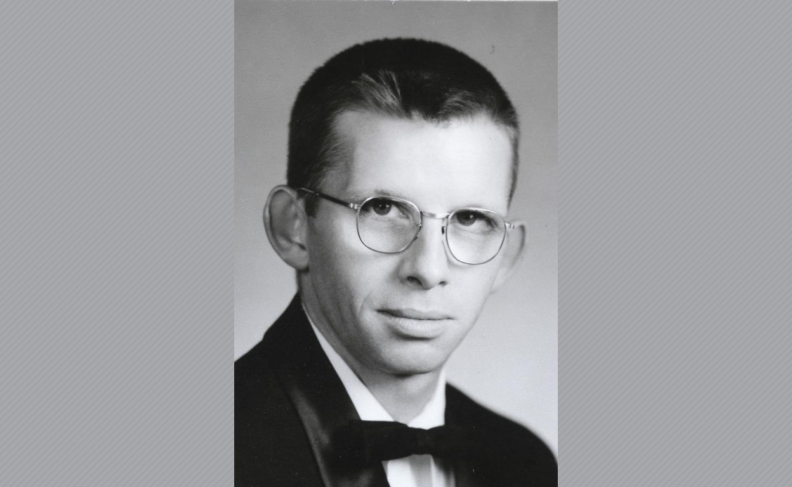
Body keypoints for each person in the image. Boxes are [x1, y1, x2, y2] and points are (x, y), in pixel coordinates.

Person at [235, 38, 557, 487]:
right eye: (382, 209)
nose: (427, 269)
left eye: (469, 218)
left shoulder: (526, 463)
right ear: (294, 227)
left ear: (505, 255)